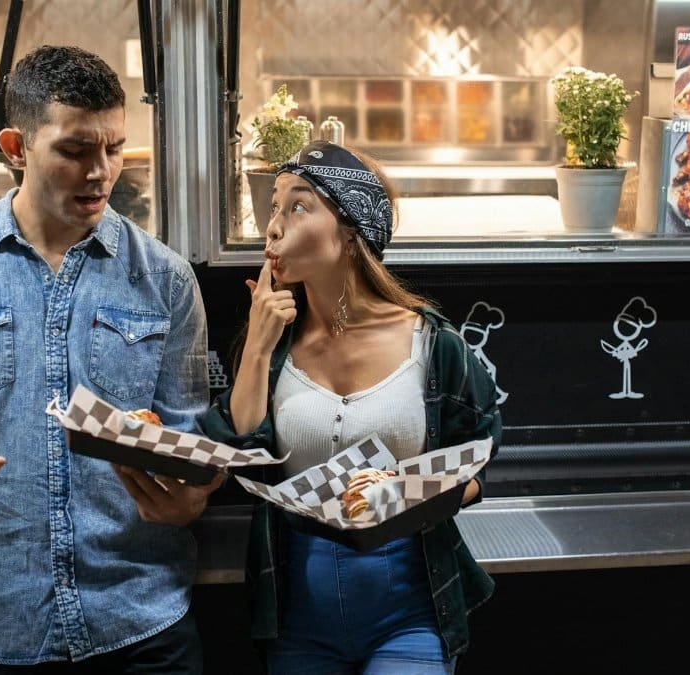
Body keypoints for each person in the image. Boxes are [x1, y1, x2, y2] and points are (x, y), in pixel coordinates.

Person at [0, 45, 219, 673]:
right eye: (76, 150)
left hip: (142, 622)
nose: (101, 172)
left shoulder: (165, 279)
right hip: (6, 622)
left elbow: (189, 439)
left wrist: (189, 490)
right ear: (15, 147)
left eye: (113, 148)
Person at [198, 140, 502, 674]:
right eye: (273, 206)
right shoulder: (274, 345)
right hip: (296, 610)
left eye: (298, 206)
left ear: (350, 231)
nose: (272, 227)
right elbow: (235, 452)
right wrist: (257, 346)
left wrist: (404, 493)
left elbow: (478, 459)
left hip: (410, 607)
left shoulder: (431, 343)